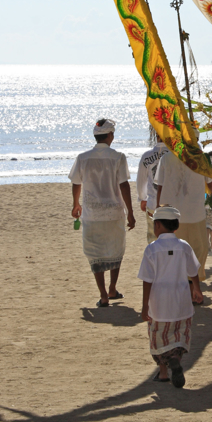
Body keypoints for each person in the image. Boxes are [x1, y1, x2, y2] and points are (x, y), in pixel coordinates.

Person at [69, 118, 136, 307]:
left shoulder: (83, 158)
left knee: (95, 252)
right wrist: (130, 211)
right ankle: (112, 288)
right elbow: (124, 185)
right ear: (110, 136)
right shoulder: (118, 157)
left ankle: (104, 294)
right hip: (114, 211)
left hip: (92, 213)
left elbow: (76, 182)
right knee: (116, 250)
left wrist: (76, 204)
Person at [138, 206, 203, 388]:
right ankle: (175, 358)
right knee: (179, 334)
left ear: (157, 225)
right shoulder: (184, 246)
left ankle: (164, 372)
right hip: (181, 301)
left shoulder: (152, 249)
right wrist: (197, 289)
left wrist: (144, 306)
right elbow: (193, 271)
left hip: (159, 303)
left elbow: (147, 280)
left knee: (159, 337)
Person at [154, 140, 212, 282]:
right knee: (198, 250)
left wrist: (159, 211)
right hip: (194, 214)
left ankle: (183, 283)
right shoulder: (201, 158)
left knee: (175, 252)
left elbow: (160, 187)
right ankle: (191, 284)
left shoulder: (166, 157)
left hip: (172, 215)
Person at [136, 132, 169, 244]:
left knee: (153, 240)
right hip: (172, 204)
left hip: (153, 203)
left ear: (156, 136)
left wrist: (142, 198)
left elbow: (141, 180)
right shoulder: (175, 155)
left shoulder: (146, 156)